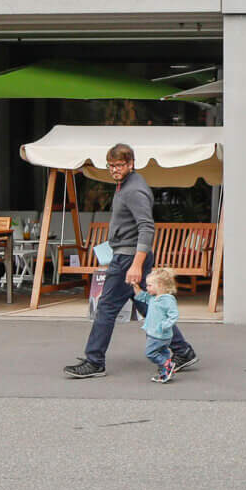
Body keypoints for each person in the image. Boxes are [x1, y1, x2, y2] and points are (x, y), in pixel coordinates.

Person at [64, 143, 197, 380]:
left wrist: (135, 265)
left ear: (131, 164)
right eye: (111, 165)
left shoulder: (134, 190)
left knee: (106, 307)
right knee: (149, 305)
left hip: (128, 258)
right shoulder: (126, 185)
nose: (114, 170)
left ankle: (95, 361)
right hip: (129, 255)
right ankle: (182, 351)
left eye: (119, 165)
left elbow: (146, 227)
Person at [140, 267, 184, 383]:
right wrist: (135, 287)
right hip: (156, 333)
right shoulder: (153, 298)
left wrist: (164, 325)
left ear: (159, 285)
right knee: (163, 353)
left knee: (151, 353)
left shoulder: (167, 300)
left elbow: (173, 315)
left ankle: (168, 365)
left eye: (149, 285)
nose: (147, 288)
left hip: (159, 335)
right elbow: (141, 296)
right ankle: (166, 373)